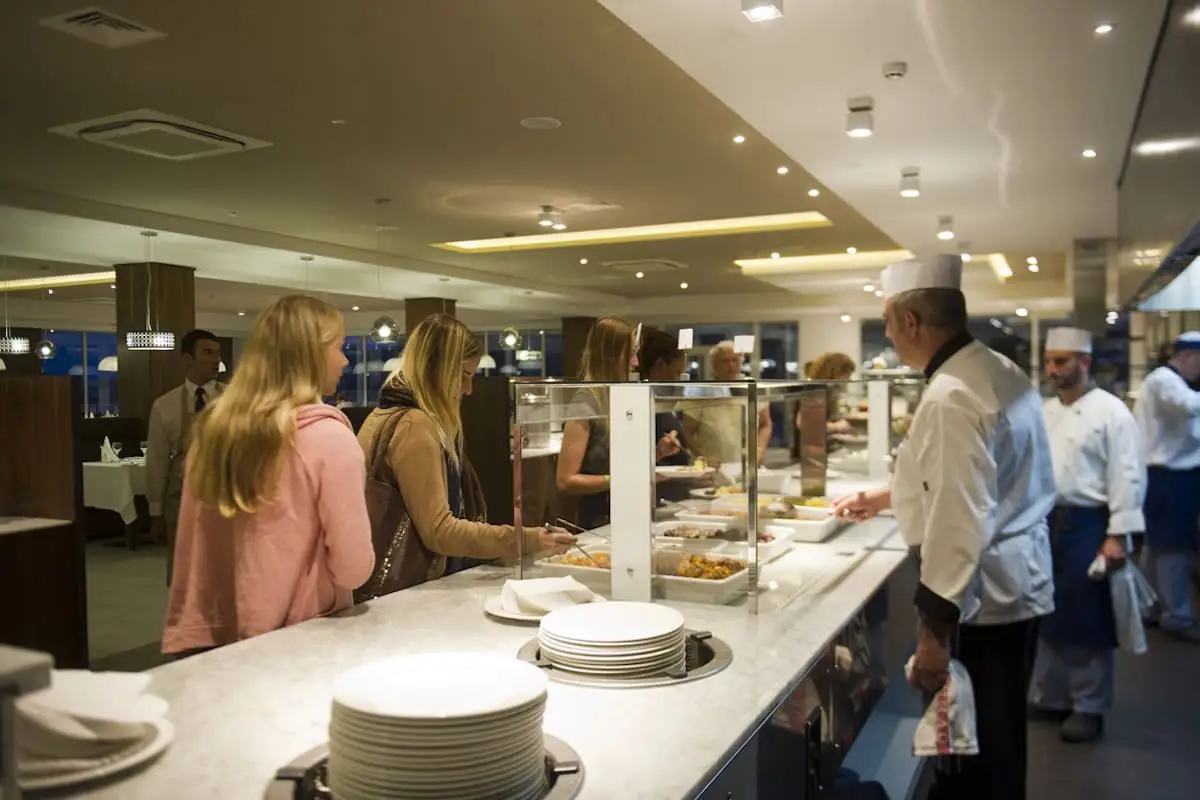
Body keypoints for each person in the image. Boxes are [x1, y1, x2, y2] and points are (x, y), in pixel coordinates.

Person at [832, 255, 1055, 800]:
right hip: (1013, 582)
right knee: (996, 739)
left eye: (887, 320)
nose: (886, 333)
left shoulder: (951, 394)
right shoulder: (995, 368)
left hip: (984, 595)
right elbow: (979, 480)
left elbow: (961, 518)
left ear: (911, 322)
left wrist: (933, 634)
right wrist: (886, 496)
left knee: (981, 754)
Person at [162, 296, 375, 653]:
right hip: (303, 637)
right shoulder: (329, 438)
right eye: (338, 347)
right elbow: (353, 568)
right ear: (309, 353)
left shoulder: (214, 431)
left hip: (217, 637)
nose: (345, 359)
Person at [357, 314, 574, 593]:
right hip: (406, 591)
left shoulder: (386, 412)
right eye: (464, 376)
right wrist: (524, 539)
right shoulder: (414, 424)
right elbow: (441, 531)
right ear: (437, 369)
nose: (469, 390)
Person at [1030, 327, 1145, 743]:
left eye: (1062, 361)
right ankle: (1052, 696)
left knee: (1087, 619)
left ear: (1085, 363)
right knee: (1047, 612)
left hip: (1090, 524)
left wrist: (1118, 536)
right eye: (1049, 361)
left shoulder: (1112, 412)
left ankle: (1089, 707)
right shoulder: (1044, 411)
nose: (1053, 369)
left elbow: (1128, 475)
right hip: (1045, 523)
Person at [557, 317, 679, 528]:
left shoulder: (620, 395)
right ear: (611, 355)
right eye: (631, 354)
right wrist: (621, 480)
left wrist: (658, 452)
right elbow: (565, 480)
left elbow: (623, 463)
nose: (636, 363)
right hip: (599, 519)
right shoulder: (586, 400)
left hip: (630, 512)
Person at [1133, 331, 1200, 642]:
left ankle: (1153, 608)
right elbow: (1186, 406)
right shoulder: (1164, 380)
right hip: (1170, 477)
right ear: (1188, 356)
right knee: (1173, 549)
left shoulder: (1168, 380)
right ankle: (1177, 616)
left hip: (1166, 477)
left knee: (1157, 548)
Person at [145, 329, 223, 584]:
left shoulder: (234, 400)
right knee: (183, 569)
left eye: (218, 353)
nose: (215, 360)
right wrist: (155, 510)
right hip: (179, 497)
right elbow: (156, 461)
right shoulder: (164, 406)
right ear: (187, 358)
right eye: (207, 353)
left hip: (226, 494)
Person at [681, 341, 772, 468]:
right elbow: (687, 431)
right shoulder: (700, 390)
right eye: (725, 361)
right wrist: (701, 457)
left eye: (735, 360)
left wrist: (760, 448)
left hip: (748, 464)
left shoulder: (752, 387)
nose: (731, 365)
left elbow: (765, 424)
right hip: (714, 466)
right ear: (714, 365)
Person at [639, 326, 693, 502]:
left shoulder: (662, 404)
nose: (680, 381)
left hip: (671, 499)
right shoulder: (639, 405)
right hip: (655, 499)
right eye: (677, 373)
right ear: (660, 365)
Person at [803, 351, 857, 436]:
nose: (848, 380)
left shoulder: (830, 391)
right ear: (835, 373)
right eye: (847, 375)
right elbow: (807, 425)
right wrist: (836, 427)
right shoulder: (814, 390)